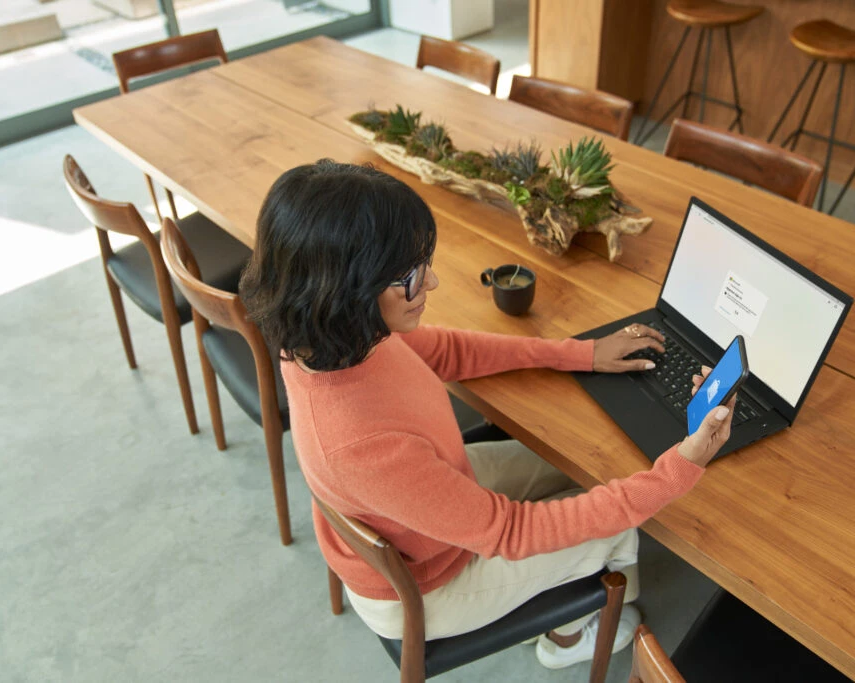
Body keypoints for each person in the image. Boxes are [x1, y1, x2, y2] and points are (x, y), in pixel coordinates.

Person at [238, 160, 735, 670]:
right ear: (344, 291)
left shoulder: (333, 337)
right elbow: (512, 533)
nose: (430, 282)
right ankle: (565, 639)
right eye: (408, 275)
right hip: (432, 582)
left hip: (431, 504)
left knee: (587, 468)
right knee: (618, 526)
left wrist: (579, 353)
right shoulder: (358, 442)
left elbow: (450, 350)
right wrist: (682, 467)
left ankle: (559, 590)